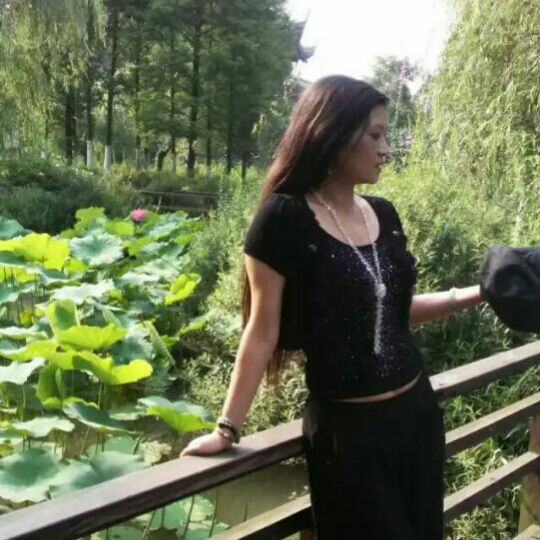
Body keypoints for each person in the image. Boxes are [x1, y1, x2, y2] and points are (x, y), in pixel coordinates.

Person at [179, 75, 484, 539]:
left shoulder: (384, 213)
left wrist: (475, 293)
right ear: (334, 133)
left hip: (417, 418)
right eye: (375, 135)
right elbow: (261, 332)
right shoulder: (284, 219)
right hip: (348, 436)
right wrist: (227, 429)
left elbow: (392, 314)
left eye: (386, 136)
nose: (386, 149)